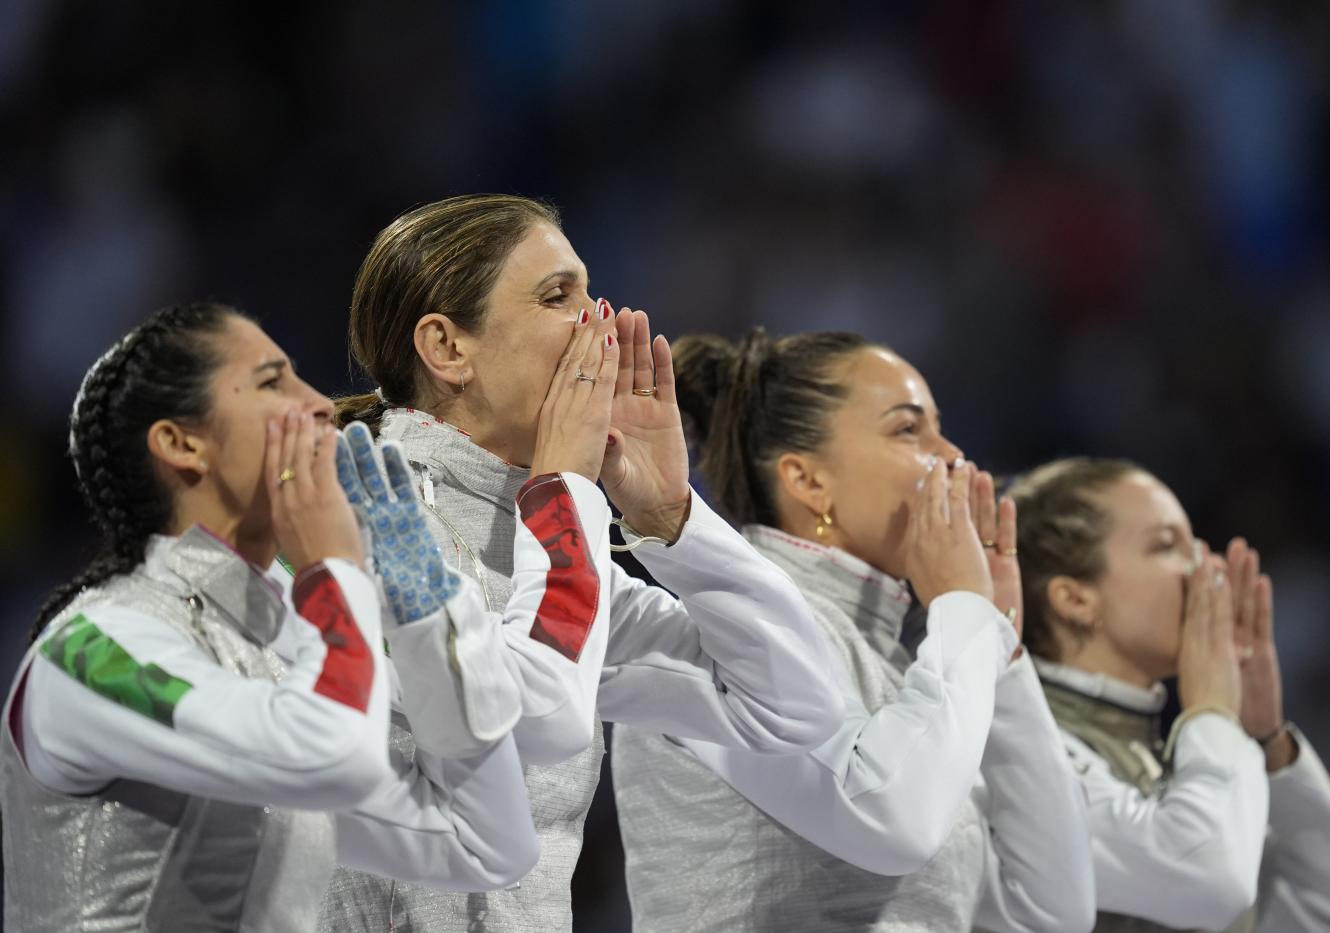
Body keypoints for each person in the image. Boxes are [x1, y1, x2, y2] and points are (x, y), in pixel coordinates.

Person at [320, 195, 844, 932]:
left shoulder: (546, 541)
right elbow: (537, 712)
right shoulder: (363, 520)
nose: (599, 325)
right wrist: (563, 488)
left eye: (589, 293)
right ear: (447, 349)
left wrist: (670, 516)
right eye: (557, 296)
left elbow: (796, 704)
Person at [1, 302, 561, 931]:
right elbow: (332, 756)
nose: (320, 403)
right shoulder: (91, 648)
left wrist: (424, 614)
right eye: (272, 383)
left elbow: (487, 843)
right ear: (182, 444)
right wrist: (331, 570)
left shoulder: (287, 641)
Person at [610, 329, 1096, 932]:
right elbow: (893, 821)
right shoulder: (725, 635)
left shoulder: (914, 658)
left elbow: (1050, 909)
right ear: (808, 482)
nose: (952, 456)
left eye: (940, 427)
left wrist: (1001, 645)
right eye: (908, 429)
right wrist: (965, 610)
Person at [1007, 457, 1330, 932]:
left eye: (1197, 544)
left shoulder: (1188, 756)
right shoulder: (1022, 758)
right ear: (1075, 599)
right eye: (1167, 545)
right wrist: (1211, 712)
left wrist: (1267, 740)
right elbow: (1212, 881)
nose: (1206, 568)